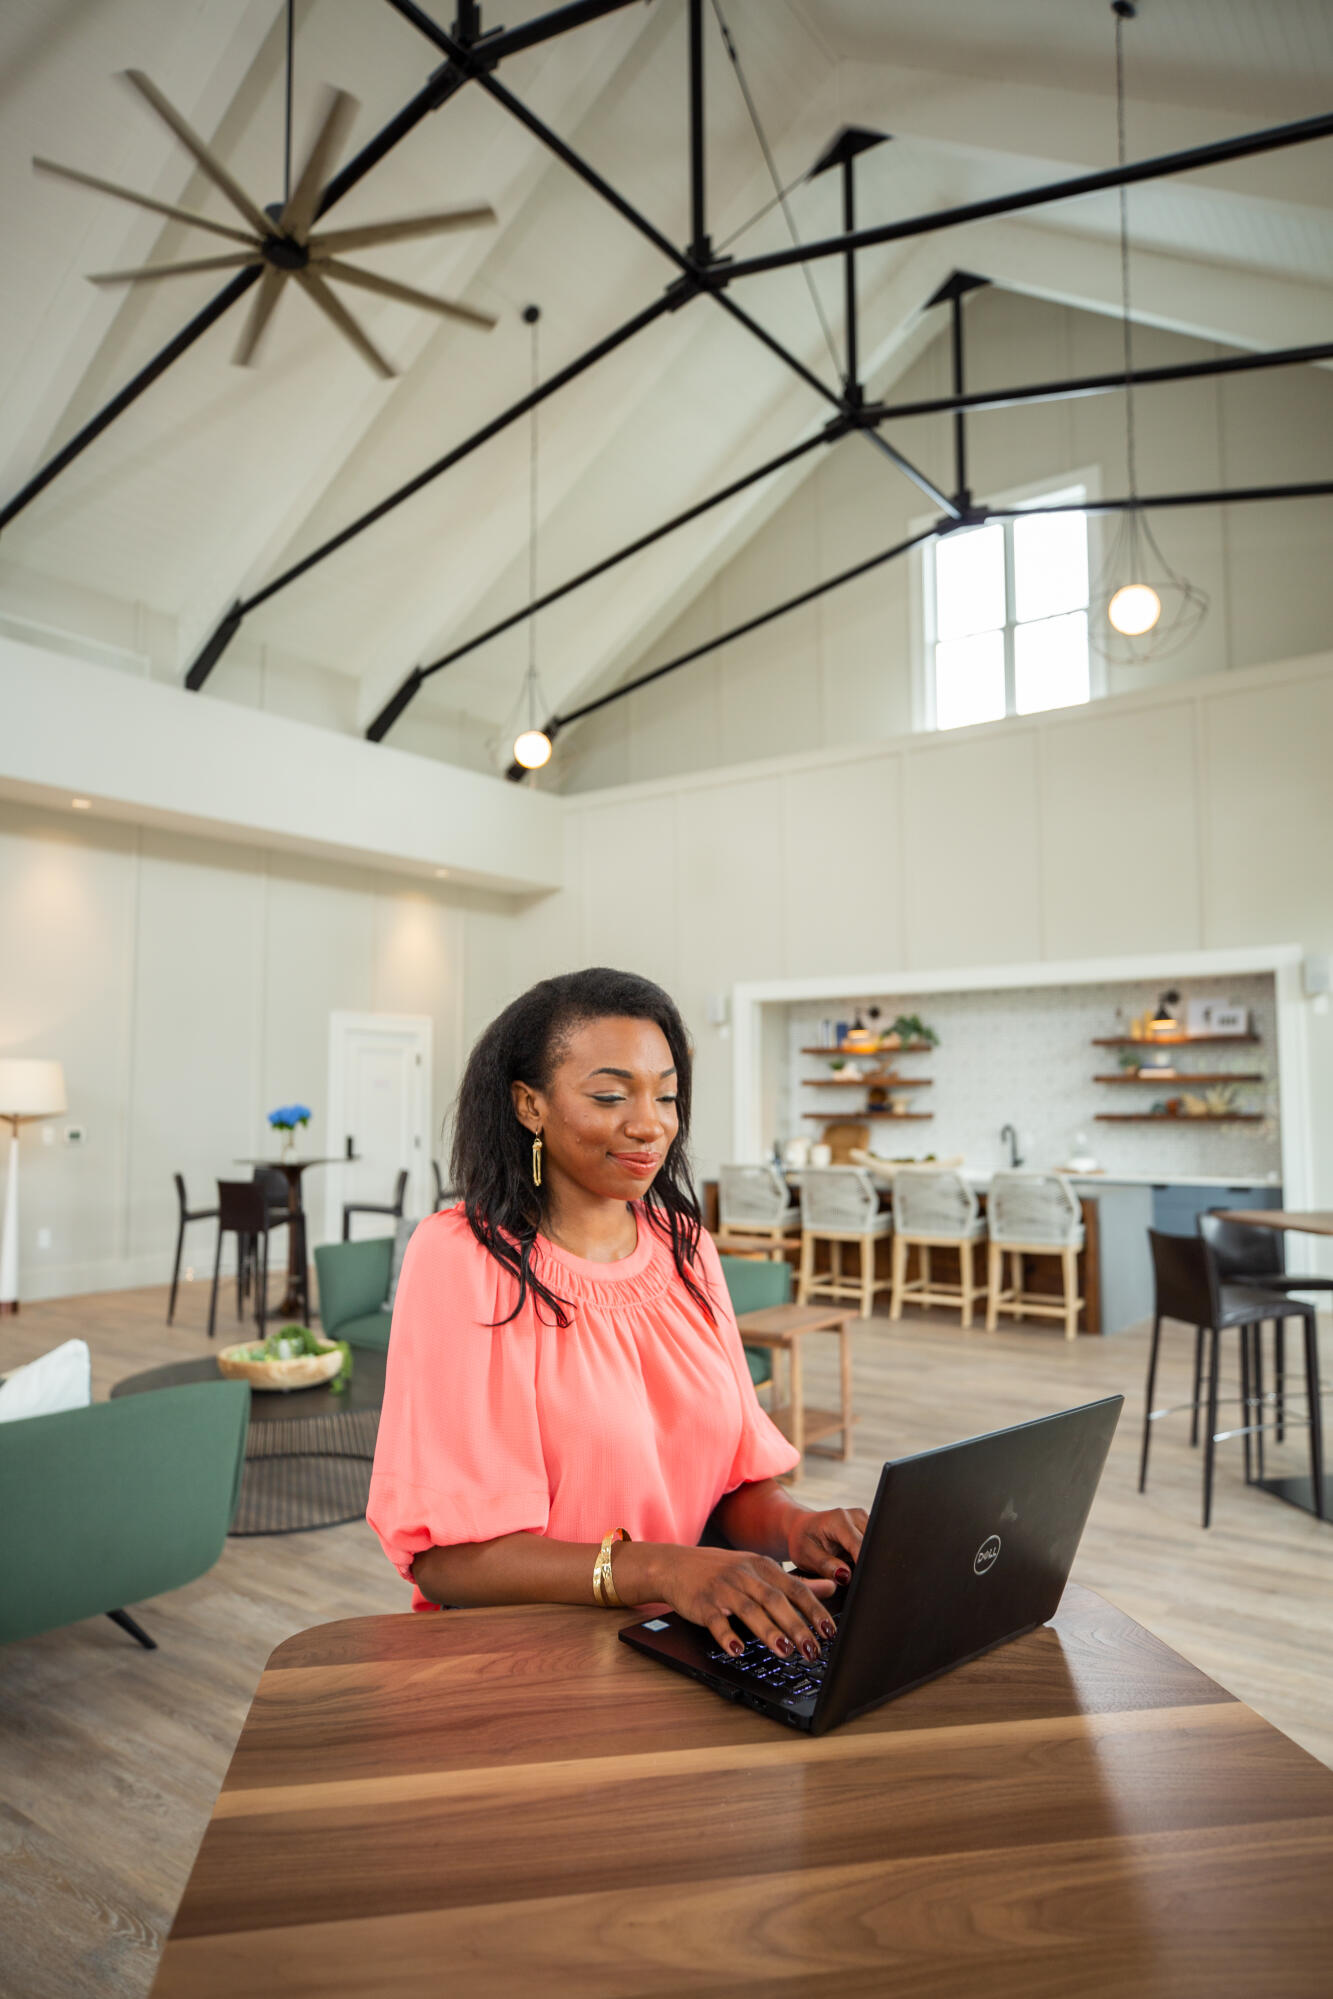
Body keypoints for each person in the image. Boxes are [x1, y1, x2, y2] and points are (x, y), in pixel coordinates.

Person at [367, 966, 866, 1663]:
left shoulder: (685, 1247)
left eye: (666, 1094)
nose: (649, 1123)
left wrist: (793, 1526)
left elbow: (727, 1481)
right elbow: (445, 1561)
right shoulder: (463, 1257)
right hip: (530, 1658)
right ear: (528, 1105)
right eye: (609, 1094)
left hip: (690, 1640)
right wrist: (662, 1568)